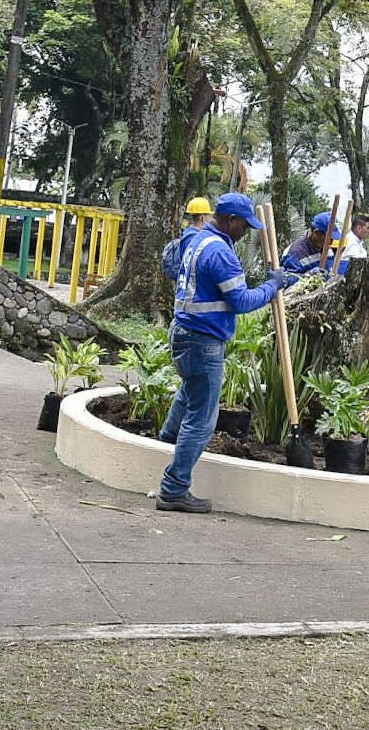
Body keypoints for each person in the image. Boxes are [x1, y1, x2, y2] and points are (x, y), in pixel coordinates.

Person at [156, 193, 292, 513]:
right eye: (245, 225)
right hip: (203, 341)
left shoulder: (200, 239)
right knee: (203, 420)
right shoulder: (219, 252)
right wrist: (273, 286)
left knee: (190, 394)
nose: (247, 231)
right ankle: (174, 489)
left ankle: (165, 440)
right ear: (231, 220)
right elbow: (241, 302)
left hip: (184, 333)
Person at [161, 196, 213, 280]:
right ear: (202, 217)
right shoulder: (193, 238)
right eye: (209, 215)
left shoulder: (188, 233)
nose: (210, 218)